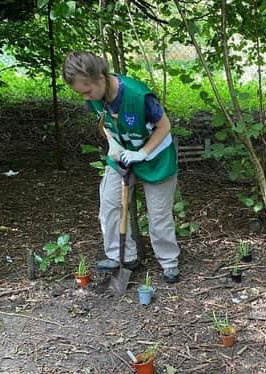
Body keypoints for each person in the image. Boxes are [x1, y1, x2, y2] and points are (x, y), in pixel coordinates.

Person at [62, 51, 180, 286]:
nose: (85, 97)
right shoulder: (94, 97)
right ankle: (122, 256)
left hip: (156, 158)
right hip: (123, 156)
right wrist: (113, 144)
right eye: (80, 93)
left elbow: (164, 126)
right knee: (109, 203)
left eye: (87, 91)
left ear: (101, 77)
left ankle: (169, 263)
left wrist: (142, 153)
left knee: (158, 215)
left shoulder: (137, 95)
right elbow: (105, 123)